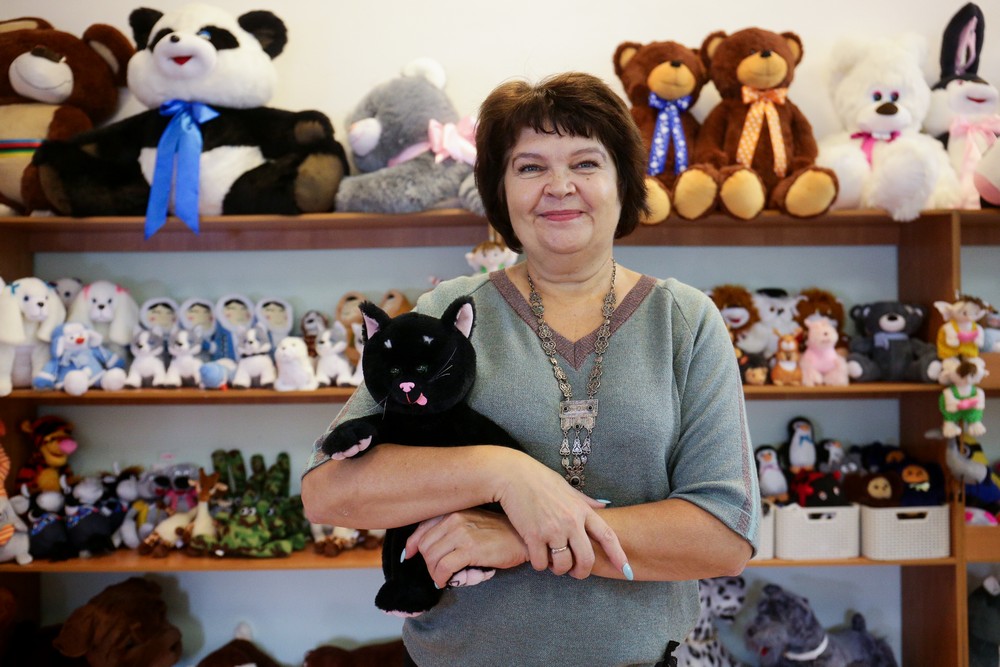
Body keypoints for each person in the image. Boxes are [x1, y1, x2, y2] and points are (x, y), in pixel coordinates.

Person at [301, 71, 760, 667]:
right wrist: (500, 473)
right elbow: (329, 492)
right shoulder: (449, 312)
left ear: (624, 182)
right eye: (530, 167)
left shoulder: (685, 320)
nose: (559, 186)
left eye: (586, 163)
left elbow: (722, 536)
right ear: (500, 191)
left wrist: (523, 537)